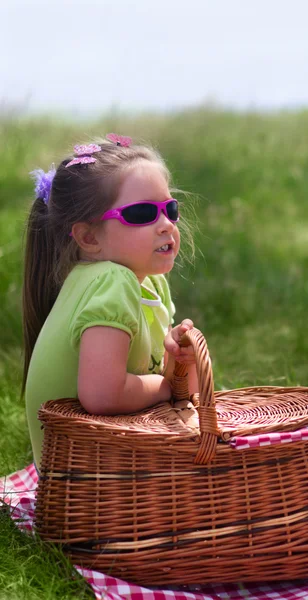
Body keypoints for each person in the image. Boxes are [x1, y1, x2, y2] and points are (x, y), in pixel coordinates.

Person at [22, 133, 198, 471]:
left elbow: (184, 393)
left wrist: (181, 366)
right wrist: (165, 386)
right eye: (142, 213)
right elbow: (103, 396)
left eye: (170, 209)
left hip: (103, 467)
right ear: (89, 237)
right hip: (88, 483)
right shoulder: (111, 282)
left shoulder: (149, 283)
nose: (166, 225)